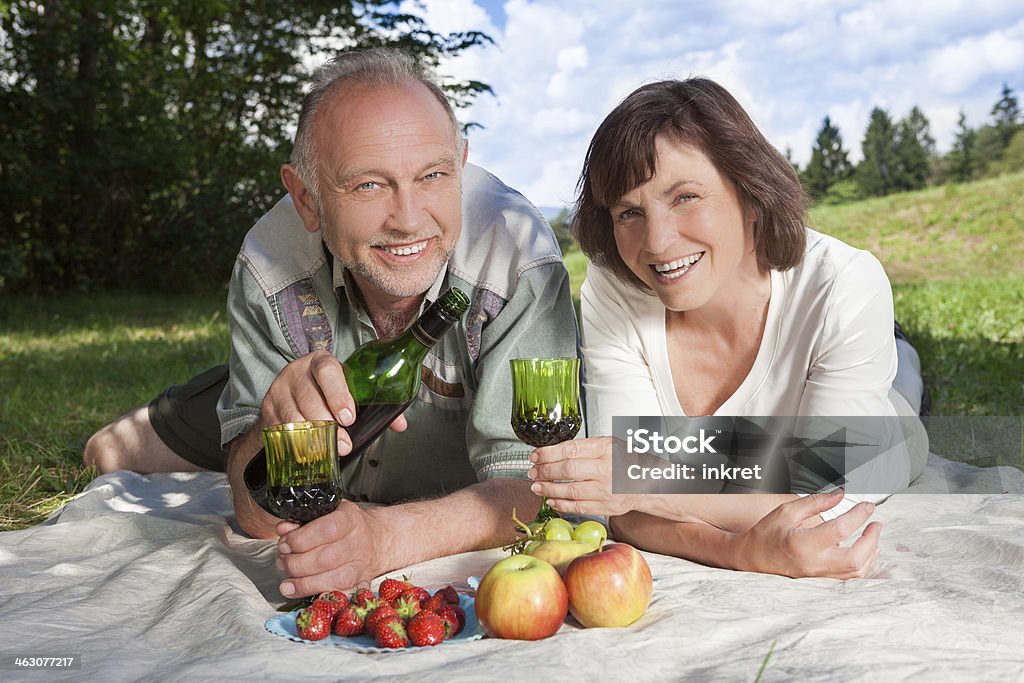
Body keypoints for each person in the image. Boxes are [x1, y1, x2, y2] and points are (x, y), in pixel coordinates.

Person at [85, 48, 579, 597]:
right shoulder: (269, 264)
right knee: (107, 453)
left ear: (459, 165)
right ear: (306, 197)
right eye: (369, 185)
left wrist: (386, 538)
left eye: (433, 175)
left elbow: (537, 485)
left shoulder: (520, 258)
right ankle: (226, 400)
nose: (409, 219)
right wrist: (273, 429)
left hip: (398, 421)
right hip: (288, 395)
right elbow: (258, 516)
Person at [528, 77, 929, 580]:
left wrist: (651, 481)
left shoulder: (845, 282)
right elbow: (624, 510)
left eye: (685, 197)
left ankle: (903, 357)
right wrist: (738, 551)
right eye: (630, 212)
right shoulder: (615, 288)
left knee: (902, 406)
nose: (656, 241)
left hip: (883, 436)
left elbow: (825, 507)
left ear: (750, 191)